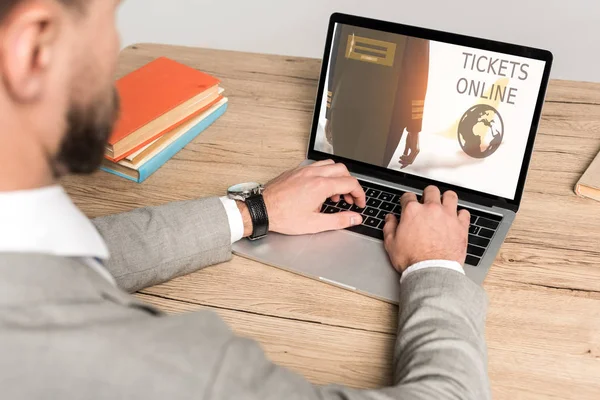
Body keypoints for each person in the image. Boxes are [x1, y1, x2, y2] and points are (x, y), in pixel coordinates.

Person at [0, 1, 490, 399]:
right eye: (109, 17)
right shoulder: (163, 369)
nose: (113, 48)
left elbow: (61, 263)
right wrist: (435, 266)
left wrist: (252, 211)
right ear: (32, 46)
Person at [324, 25, 429, 169]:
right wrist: (414, 127)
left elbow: (339, 47)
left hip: (346, 93)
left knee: (342, 176)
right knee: (364, 177)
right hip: (389, 106)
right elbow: (418, 63)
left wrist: (331, 110)